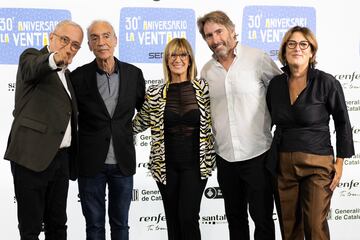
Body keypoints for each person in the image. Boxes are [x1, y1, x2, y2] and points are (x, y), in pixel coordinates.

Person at [197, 11, 282, 240]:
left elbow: (281, 94)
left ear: (231, 29)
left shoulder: (258, 58)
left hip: (258, 154)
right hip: (225, 158)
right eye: (208, 36)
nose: (215, 40)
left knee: (263, 220)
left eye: (218, 32)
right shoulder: (206, 71)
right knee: (235, 220)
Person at [266, 25, 355, 240]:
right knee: (290, 229)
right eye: (292, 44)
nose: (297, 48)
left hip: (318, 164)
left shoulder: (327, 83)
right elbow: (268, 121)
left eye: (303, 44)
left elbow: (343, 122)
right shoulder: (275, 85)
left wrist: (340, 163)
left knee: (315, 227)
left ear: (312, 52)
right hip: (283, 165)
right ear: (284, 51)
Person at [4, 20, 83, 240]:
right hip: (31, 158)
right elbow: (34, 68)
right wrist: (54, 58)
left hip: (61, 161)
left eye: (75, 45)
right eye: (64, 40)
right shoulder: (31, 57)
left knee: (58, 225)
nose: (69, 47)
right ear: (51, 37)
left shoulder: (67, 75)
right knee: (30, 228)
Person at [132, 38, 215, 240]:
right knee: (173, 221)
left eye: (183, 54)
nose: (178, 59)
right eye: (173, 55)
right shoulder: (154, 93)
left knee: (188, 218)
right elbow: (138, 124)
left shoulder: (204, 89)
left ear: (190, 59)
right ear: (167, 60)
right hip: (165, 167)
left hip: (196, 166)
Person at [70, 20, 145, 240]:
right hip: (90, 164)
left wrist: (128, 131)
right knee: (94, 226)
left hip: (122, 162)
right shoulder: (77, 77)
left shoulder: (134, 74)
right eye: (94, 38)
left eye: (106, 36)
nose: (101, 42)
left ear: (115, 40)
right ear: (90, 46)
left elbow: (147, 111)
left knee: (121, 225)